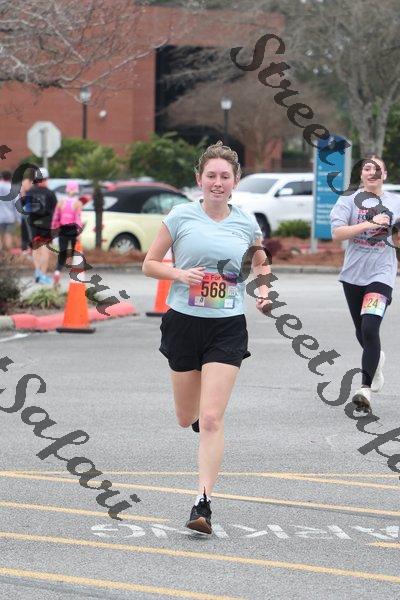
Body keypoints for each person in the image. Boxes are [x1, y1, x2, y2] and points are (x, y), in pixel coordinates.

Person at [142, 141, 271, 534]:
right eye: (211, 175)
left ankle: (203, 503)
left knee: (213, 418)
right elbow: (149, 264)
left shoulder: (247, 224)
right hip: (183, 322)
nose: (218, 182)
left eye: (225, 176)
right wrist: (179, 274)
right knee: (188, 418)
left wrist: (264, 293)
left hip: (227, 326)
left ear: (235, 181)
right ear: (199, 179)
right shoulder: (180, 216)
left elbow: (261, 264)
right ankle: (198, 422)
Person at [330, 156, 400, 415]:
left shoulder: (396, 202)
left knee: (370, 327)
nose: (372, 172)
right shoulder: (348, 200)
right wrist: (371, 223)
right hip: (353, 275)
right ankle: (377, 359)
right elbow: (337, 234)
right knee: (362, 332)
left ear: (385, 174)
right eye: (367, 168)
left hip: (381, 274)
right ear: (361, 174)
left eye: (377, 168)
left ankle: (364, 389)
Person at [24, 167, 57, 284]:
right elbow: (55, 210)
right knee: (45, 249)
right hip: (46, 224)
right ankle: (43, 275)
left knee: (36, 248)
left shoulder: (30, 191)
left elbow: (26, 208)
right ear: (46, 179)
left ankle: (37, 273)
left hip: (33, 224)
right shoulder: (50, 193)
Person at [51, 180, 83, 286]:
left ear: (66, 190)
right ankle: (74, 276)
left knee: (62, 253)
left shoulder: (61, 202)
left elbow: (56, 217)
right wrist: (79, 232)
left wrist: (54, 228)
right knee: (75, 253)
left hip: (63, 229)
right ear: (76, 190)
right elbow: (78, 219)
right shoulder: (78, 203)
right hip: (73, 230)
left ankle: (57, 272)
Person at [0, 170, 20, 250]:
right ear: (10, 178)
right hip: (10, 217)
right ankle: (8, 254)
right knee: (8, 236)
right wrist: (18, 218)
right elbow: (17, 204)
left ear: (2, 176)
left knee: (0, 237)